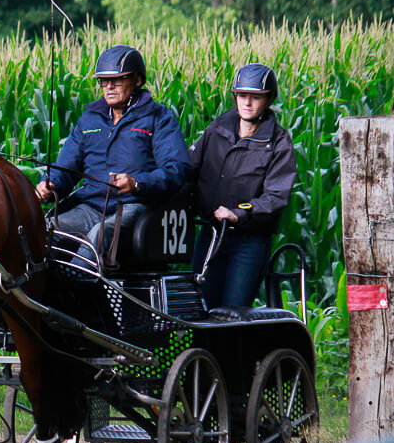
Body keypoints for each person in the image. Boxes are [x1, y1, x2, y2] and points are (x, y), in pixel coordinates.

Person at [36, 45, 191, 263]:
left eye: (117, 80)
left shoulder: (158, 118)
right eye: (103, 81)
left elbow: (177, 169)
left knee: (98, 235)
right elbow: (66, 168)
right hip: (90, 207)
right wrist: (50, 185)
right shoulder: (90, 119)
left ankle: (78, 285)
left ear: (136, 80)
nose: (108, 86)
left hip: (132, 207)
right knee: (42, 229)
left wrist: (138, 183)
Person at [189, 63, 297, 308]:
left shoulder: (278, 142)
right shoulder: (216, 130)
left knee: (233, 312)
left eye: (255, 97)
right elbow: (188, 170)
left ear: (269, 99)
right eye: (242, 95)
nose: (247, 102)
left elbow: (276, 196)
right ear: (235, 96)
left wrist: (239, 213)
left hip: (249, 242)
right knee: (199, 308)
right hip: (211, 235)